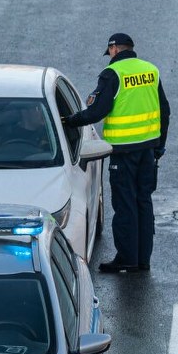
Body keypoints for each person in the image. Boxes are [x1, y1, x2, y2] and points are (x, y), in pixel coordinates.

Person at [63, 33, 170, 273]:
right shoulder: (150, 70)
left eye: (110, 51)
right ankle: (143, 259)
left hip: (123, 153)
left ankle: (127, 258)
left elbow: (96, 111)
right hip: (148, 151)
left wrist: (69, 121)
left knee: (125, 205)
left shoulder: (113, 74)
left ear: (114, 49)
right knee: (143, 202)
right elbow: (165, 111)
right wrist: (159, 146)